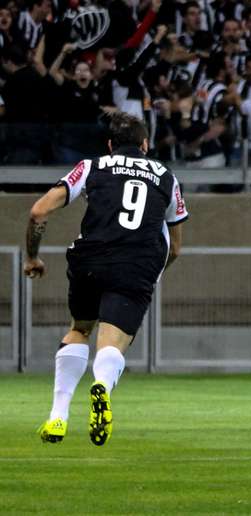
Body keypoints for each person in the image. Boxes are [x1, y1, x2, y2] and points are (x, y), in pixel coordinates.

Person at [26, 112, 188, 446]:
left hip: (90, 258)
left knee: (80, 328)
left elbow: (39, 211)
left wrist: (32, 256)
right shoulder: (166, 176)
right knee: (111, 344)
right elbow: (175, 248)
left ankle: (58, 417)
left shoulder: (92, 166)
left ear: (111, 145)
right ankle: (102, 383)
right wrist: (149, 275)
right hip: (136, 263)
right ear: (145, 145)